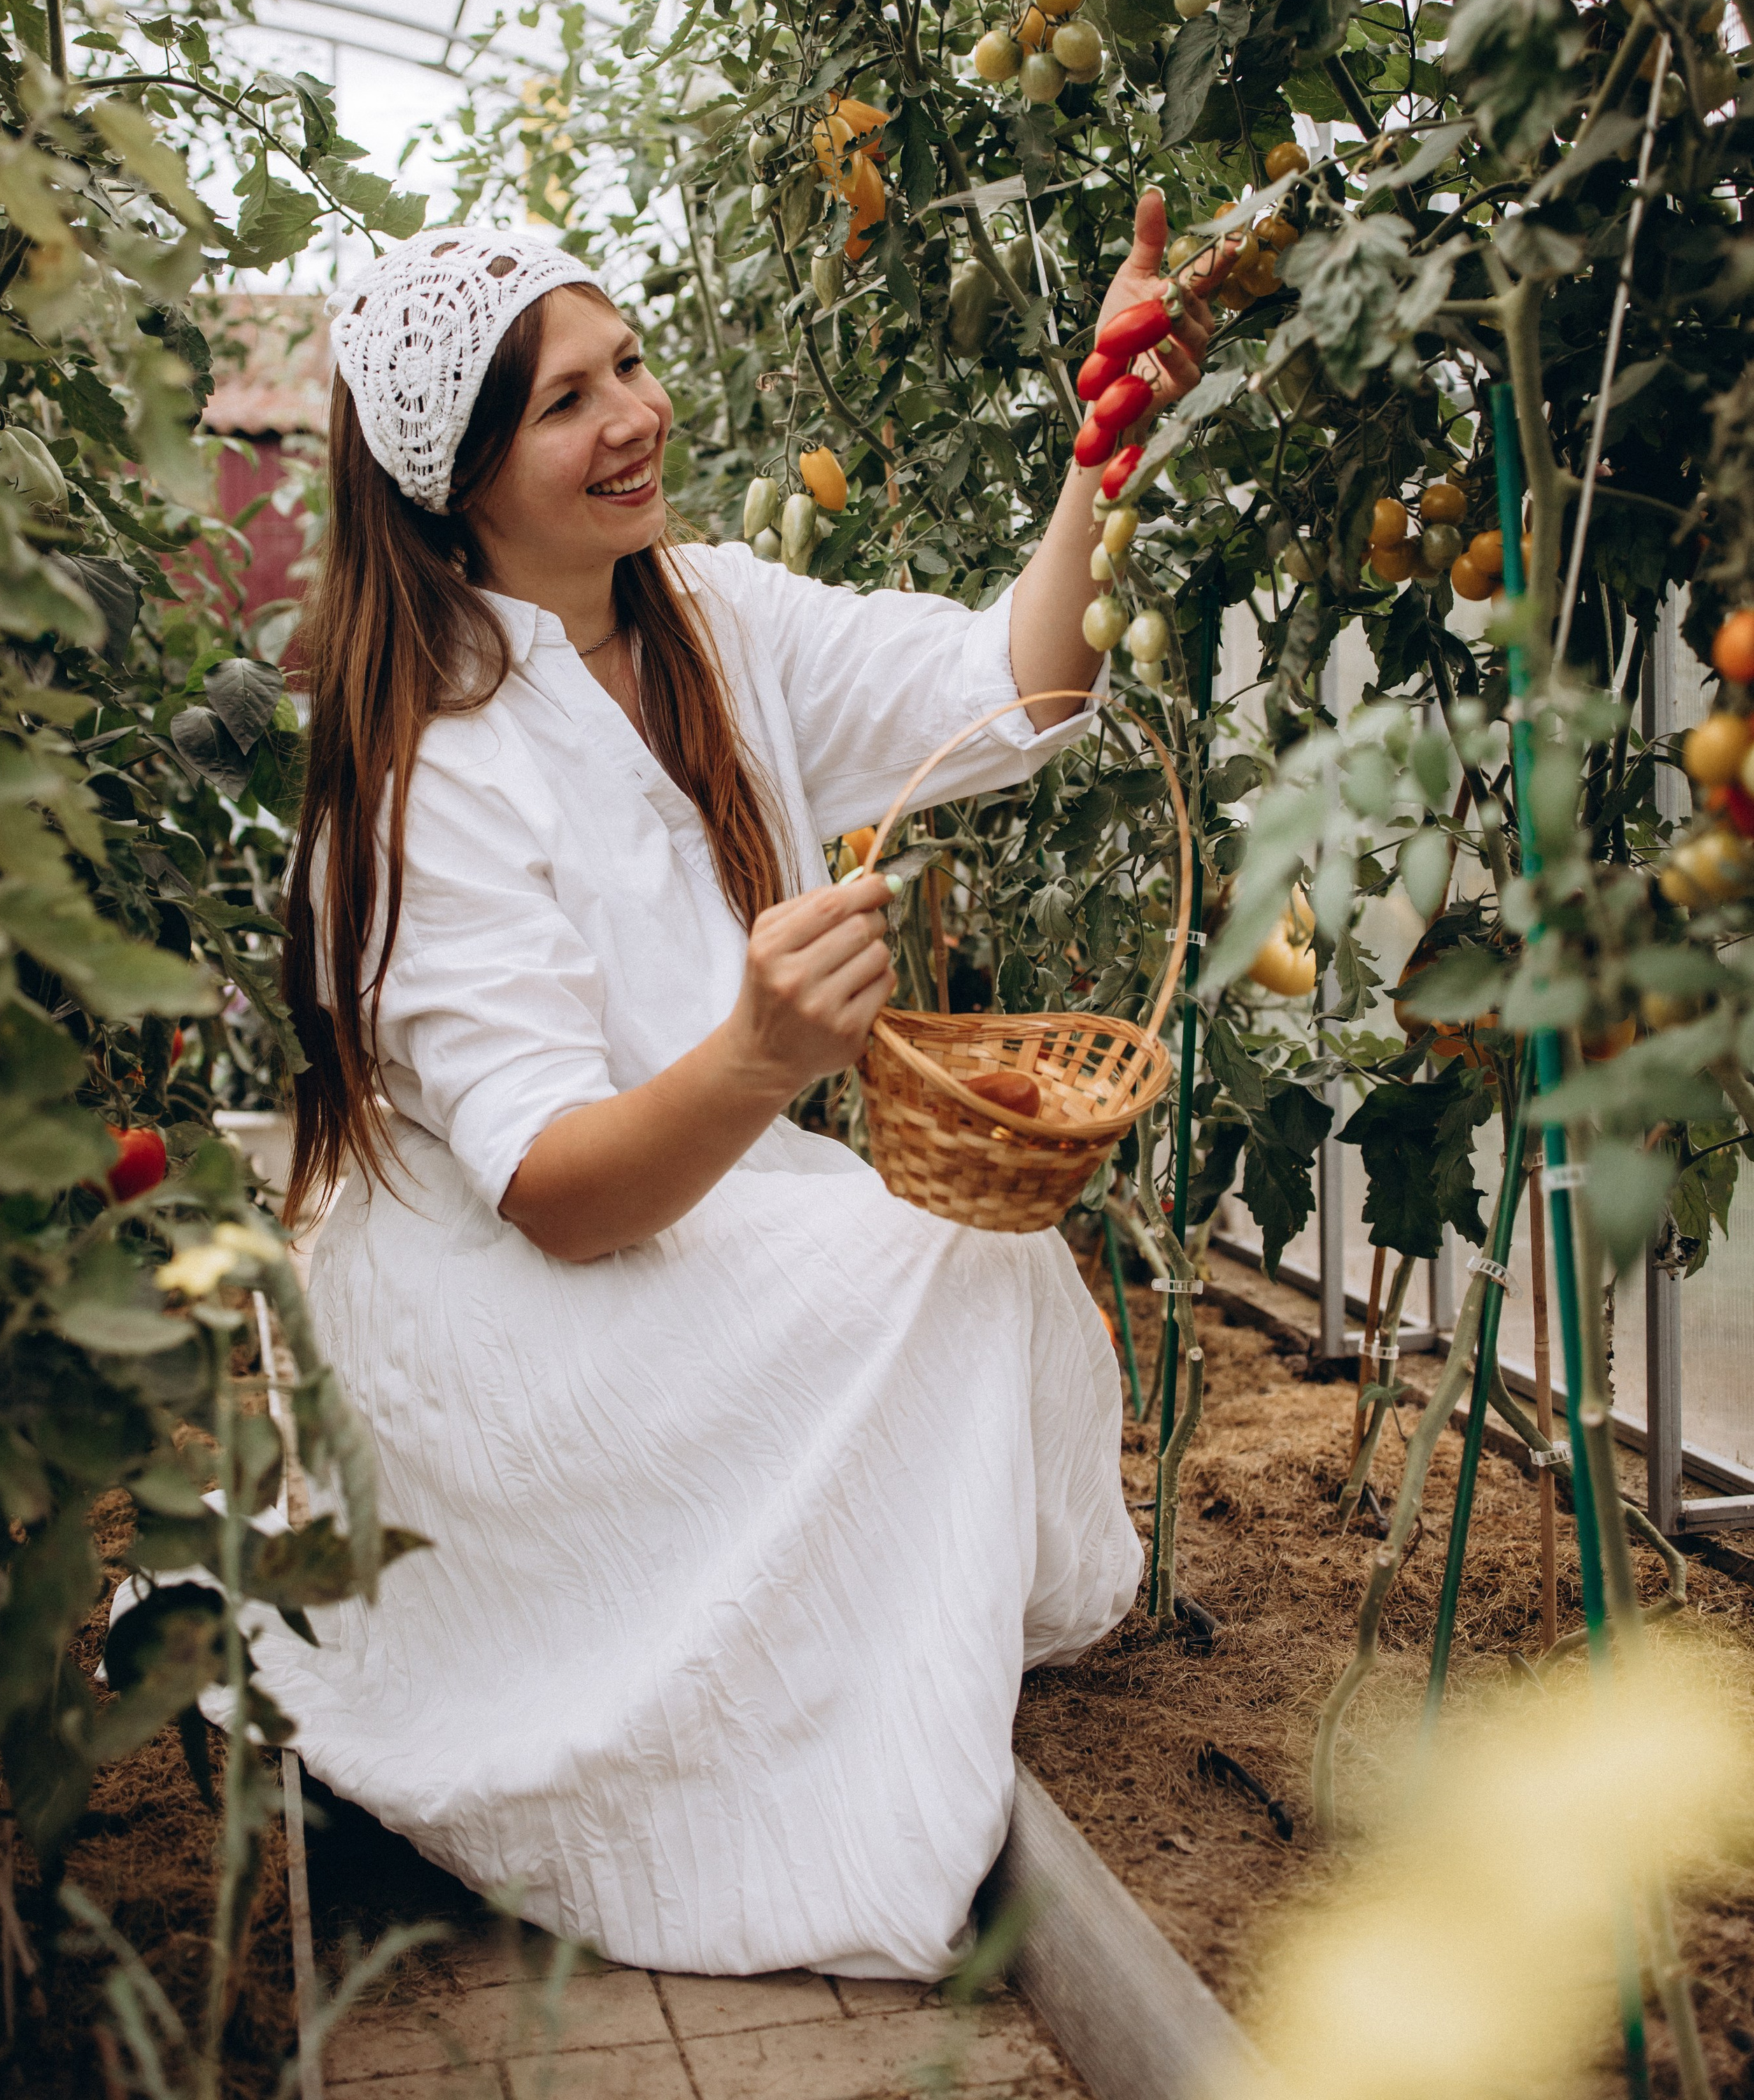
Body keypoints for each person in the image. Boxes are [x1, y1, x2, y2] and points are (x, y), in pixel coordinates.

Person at [265, 194, 1219, 1981]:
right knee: (929, 1269)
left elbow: (1014, 683)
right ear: (453, 476)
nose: (633, 414)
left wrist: (1111, 431)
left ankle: (843, 1650)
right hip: (499, 1298)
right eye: (563, 402)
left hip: (691, 1201)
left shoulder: (706, 615)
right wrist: (762, 1054)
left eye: (626, 362)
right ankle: (707, 1722)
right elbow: (551, 1185)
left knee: (962, 1254)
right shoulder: (427, 768)